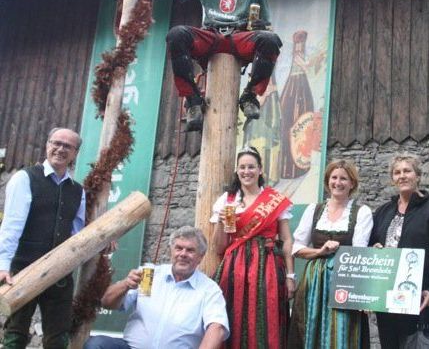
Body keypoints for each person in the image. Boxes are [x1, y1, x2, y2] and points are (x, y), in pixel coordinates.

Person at [142, 0, 282, 131]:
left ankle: (249, 95)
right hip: (211, 36)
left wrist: (261, 27)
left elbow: (267, 29)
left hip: (239, 38)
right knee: (177, 34)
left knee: (271, 40)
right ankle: (193, 100)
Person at [0, 128, 86, 349]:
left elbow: (77, 234)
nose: (60, 149)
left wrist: (103, 243)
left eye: (67, 146)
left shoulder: (78, 191)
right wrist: (3, 265)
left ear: (75, 152)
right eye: (55, 143)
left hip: (59, 272)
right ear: (47, 144)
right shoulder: (24, 178)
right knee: (16, 333)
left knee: (58, 337)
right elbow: (11, 226)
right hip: (23, 269)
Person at [84, 226, 229, 349]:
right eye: (179, 248)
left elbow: (217, 328)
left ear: (200, 257)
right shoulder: (149, 274)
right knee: (97, 344)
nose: (183, 254)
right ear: (171, 251)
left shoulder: (209, 289)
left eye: (190, 250)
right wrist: (126, 285)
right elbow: (107, 303)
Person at [211, 146, 294, 348]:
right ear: (237, 171)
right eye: (242, 167)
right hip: (234, 265)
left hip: (268, 265)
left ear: (260, 170)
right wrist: (221, 222)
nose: (246, 171)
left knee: (267, 314)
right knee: (234, 313)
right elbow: (219, 247)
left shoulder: (274, 199)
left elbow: (287, 240)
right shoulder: (226, 200)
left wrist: (291, 276)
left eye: (251, 167)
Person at [369, 153, 429, 349]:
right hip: (387, 298)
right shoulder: (383, 211)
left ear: (418, 175)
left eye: (407, 171)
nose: (402, 176)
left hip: (420, 299)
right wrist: (374, 249)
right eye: (397, 172)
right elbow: (370, 245)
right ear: (392, 179)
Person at [288, 159, 373, 349]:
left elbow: (360, 253)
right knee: (310, 327)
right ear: (328, 181)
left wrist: (362, 293)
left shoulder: (362, 212)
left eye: (344, 178)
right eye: (334, 177)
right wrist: (320, 251)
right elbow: (297, 248)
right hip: (314, 281)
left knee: (342, 332)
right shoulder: (314, 210)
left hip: (345, 279)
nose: (338, 182)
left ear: (352, 183)